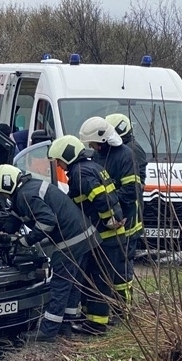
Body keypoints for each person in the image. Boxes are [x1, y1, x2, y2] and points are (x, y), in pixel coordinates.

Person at [0, 164, 99, 342]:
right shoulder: (28, 189)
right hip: (84, 238)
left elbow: (47, 222)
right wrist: (5, 233)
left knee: (60, 286)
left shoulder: (25, 195)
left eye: (3, 195)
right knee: (72, 285)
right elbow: (17, 216)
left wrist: (25, 241)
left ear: (7, 186)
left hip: (70, 242)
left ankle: (48, 331)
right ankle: (65, 325)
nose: (4, 198)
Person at [47, 134, 128, 334]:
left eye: (59, 161)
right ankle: (93, 317)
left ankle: (96, 324)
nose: (59, 166)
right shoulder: (91, 167)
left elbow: (100, 198)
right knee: (101, 276)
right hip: (108, 234)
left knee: (99, 278)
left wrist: (109, 219)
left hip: (105, 234)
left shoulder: (80, 172)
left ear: (67, 156)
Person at [79, 117, 137, 311]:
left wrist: (110, 202)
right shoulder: (98, 155)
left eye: (93, 143)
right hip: (104, 221)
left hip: (124, 221)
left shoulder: (125, 155)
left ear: (103, 140)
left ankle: (122, 310)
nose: (91, 147)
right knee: (102, 268)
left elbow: (132, 190)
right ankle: (106, 307)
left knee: (120, 269)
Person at [105, 112, 147, 276]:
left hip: (129, 212)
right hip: (124, 210)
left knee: (124, 260)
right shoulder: (122, 149)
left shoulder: (132, 150)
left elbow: (135, 186)